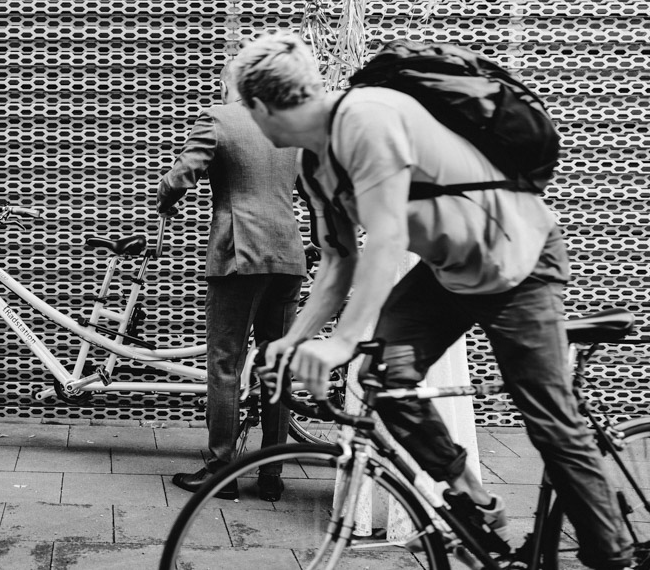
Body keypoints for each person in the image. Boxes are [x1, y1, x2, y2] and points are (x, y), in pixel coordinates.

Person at [233, 31, 631, 569]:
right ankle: (472, 494)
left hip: (519, 264)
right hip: (449, 274)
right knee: (382, 375)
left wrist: (343, 340)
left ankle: (618, 556)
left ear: (259, 106)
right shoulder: (315, 164)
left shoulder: (367, 118)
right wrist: (297, 338)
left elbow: (389, 234)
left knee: (549, 420)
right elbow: (339, 261)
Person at [157, 63, 308, 502]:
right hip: (286, 256)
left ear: (232, 84)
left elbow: (183, 175)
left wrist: (165, 195)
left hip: (237, 256)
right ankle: (271, 475)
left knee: (225, 364)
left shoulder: (219, 118)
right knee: (276, 364)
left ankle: (221, 471)